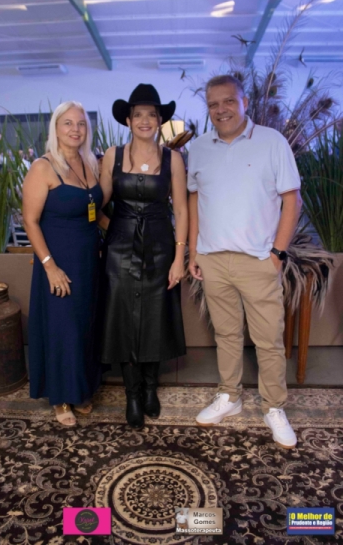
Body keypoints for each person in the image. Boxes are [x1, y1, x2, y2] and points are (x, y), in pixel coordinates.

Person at [188, 75, 302, 449]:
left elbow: (292, 199)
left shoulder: (272, 141)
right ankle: (230, 396)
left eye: (228, 101)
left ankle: (274, 407)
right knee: (226, 334)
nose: (221, 110)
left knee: (268, 340)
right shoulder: (199, 148)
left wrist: (278, 254)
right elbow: (194, 200)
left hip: (258, 261)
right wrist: (195, 251)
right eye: (213, 104)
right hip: (213, 259)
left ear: (244, 102)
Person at [100, 84, 187, 430]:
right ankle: (132, 395)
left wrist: (179, 257)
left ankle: (151, 388)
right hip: (119, 250)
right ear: (128, 120)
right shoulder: (112, 155)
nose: (145, 120)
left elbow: (181, 209)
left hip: (160, 248)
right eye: (138, 115)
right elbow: (99, 201)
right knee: (123, 319)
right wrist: (111, 227)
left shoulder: (173, 159)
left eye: (152, 114)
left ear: (160, 119)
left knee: (155, 317)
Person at [23, 101, 103, 426]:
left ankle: (79, 388)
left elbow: (96, 211)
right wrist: (49, 266)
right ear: (55, 128)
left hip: (89, 261)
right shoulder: (43, 167)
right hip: (58, 262)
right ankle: (60, 398)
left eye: (81, 123)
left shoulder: (90, 162)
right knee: (62, 329)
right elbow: (30, 221)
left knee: (84, 326)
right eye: (67, 123)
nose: (75, 129)